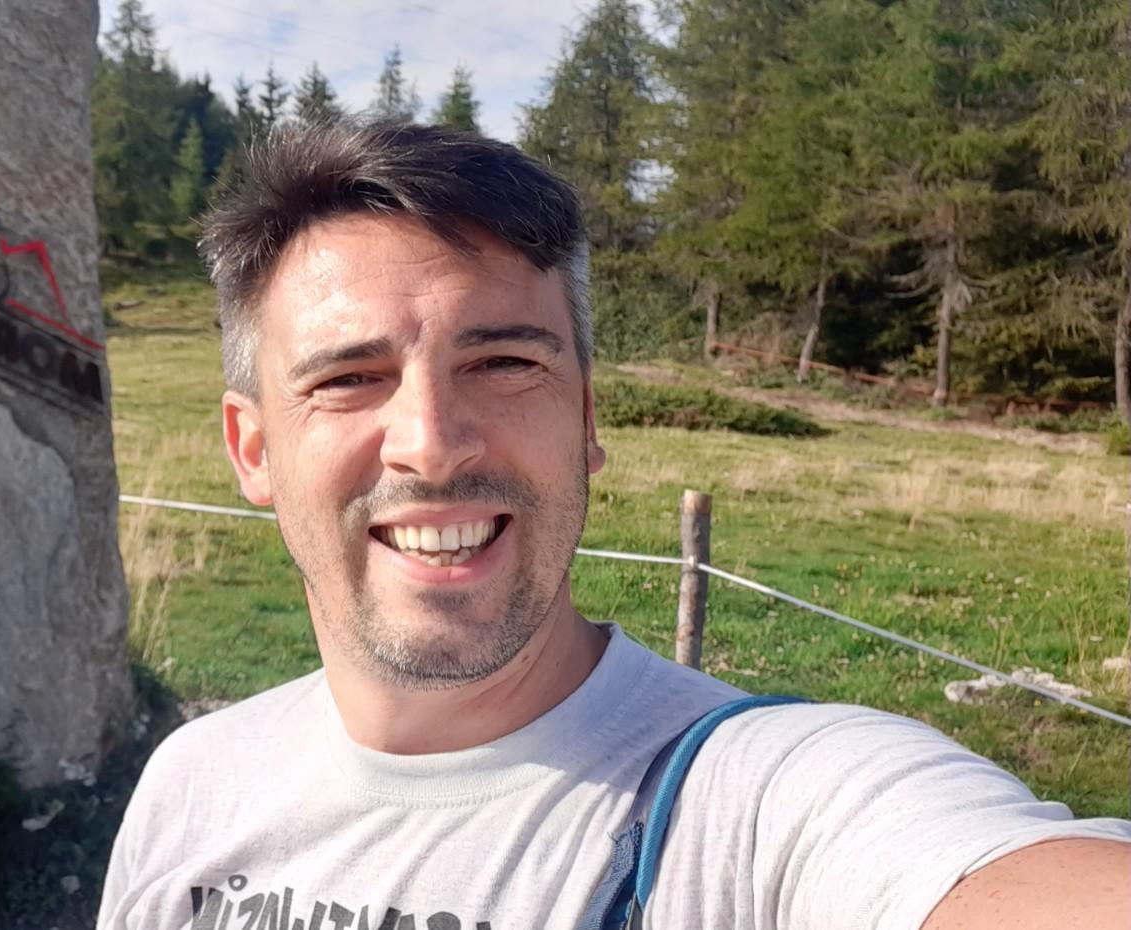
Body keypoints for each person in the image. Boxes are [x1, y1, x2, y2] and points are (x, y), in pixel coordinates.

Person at [95, 121, 1131, 930]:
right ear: (253, 449)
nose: (433, 444)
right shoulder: (192, 786)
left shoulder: (761, 807)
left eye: (504, 363)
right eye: (349, 378)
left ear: (588, 420)